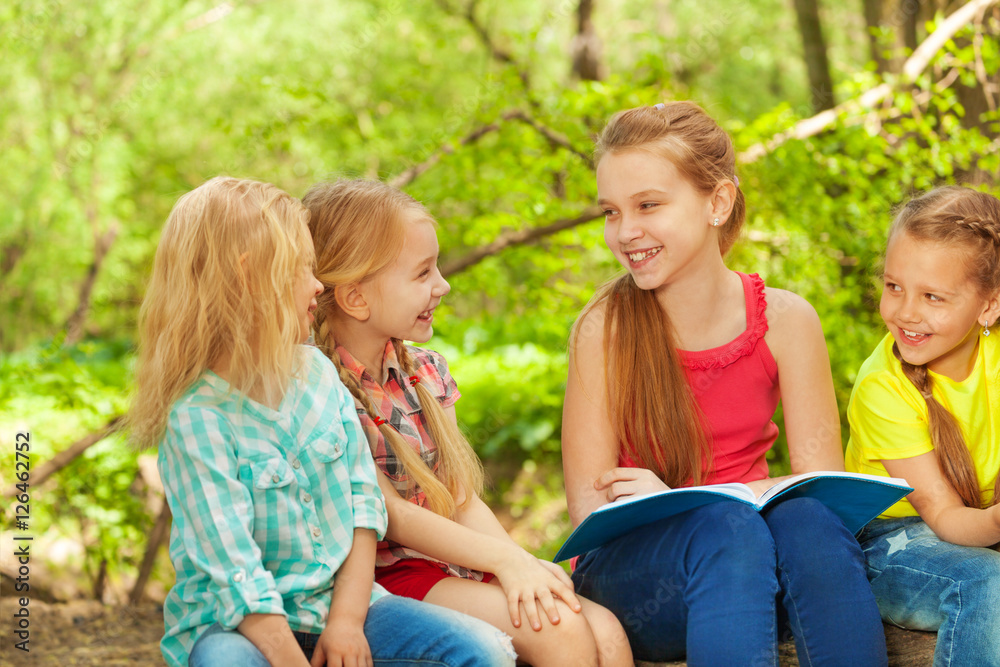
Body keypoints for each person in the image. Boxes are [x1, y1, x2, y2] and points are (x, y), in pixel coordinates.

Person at [129, 177, 516, 667]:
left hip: (340, 606)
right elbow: (236, 575)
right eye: (303, 270)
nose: (319, 285)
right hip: (241, 625)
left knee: (480, 652)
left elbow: (362, 511)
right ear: (252, 279)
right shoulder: (198, 420)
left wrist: (347, 624)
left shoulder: (318, 375)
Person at [561, 101, 887, 665]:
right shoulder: (604, 329)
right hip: (638, 577)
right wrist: (690, 513)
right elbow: (589, 514)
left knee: (808, 519)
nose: (625, 232)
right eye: (611, 211)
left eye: (648, 205)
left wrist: (696, 498)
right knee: (725, 530)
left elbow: (821, 487)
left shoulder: (787, 321)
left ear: (718, 201)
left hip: (759, 557)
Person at [303, 179, 632, 667]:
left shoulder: (427, 370)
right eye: (422, 273)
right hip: (385, 576)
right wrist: (504, 562)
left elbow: (459, 495)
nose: (443, 284)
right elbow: (391, 514)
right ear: (355, 298)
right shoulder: (318, 387)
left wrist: (520, 563)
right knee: (558, 631)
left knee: (605, 631)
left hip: (453, 562)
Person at [845, 186, 1000, 667]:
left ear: (989, 306)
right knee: (987, 582)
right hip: (890, 544)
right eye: (894, 287)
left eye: (932, 296)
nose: (906, 312)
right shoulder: (882, 389)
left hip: (978, 527)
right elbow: (944, 515)